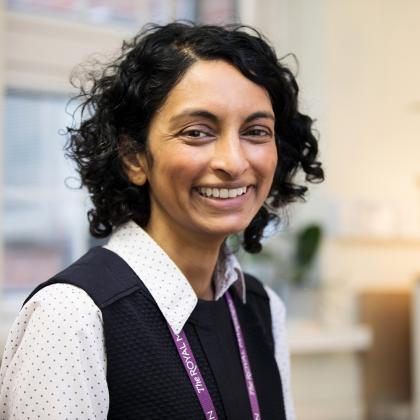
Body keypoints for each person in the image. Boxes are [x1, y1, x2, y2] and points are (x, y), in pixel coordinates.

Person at [0, 22, 323, 420]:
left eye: (256, 131)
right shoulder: (72, 316)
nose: (234, 162)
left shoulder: (260, 307)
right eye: (197, 132)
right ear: (135, 157)